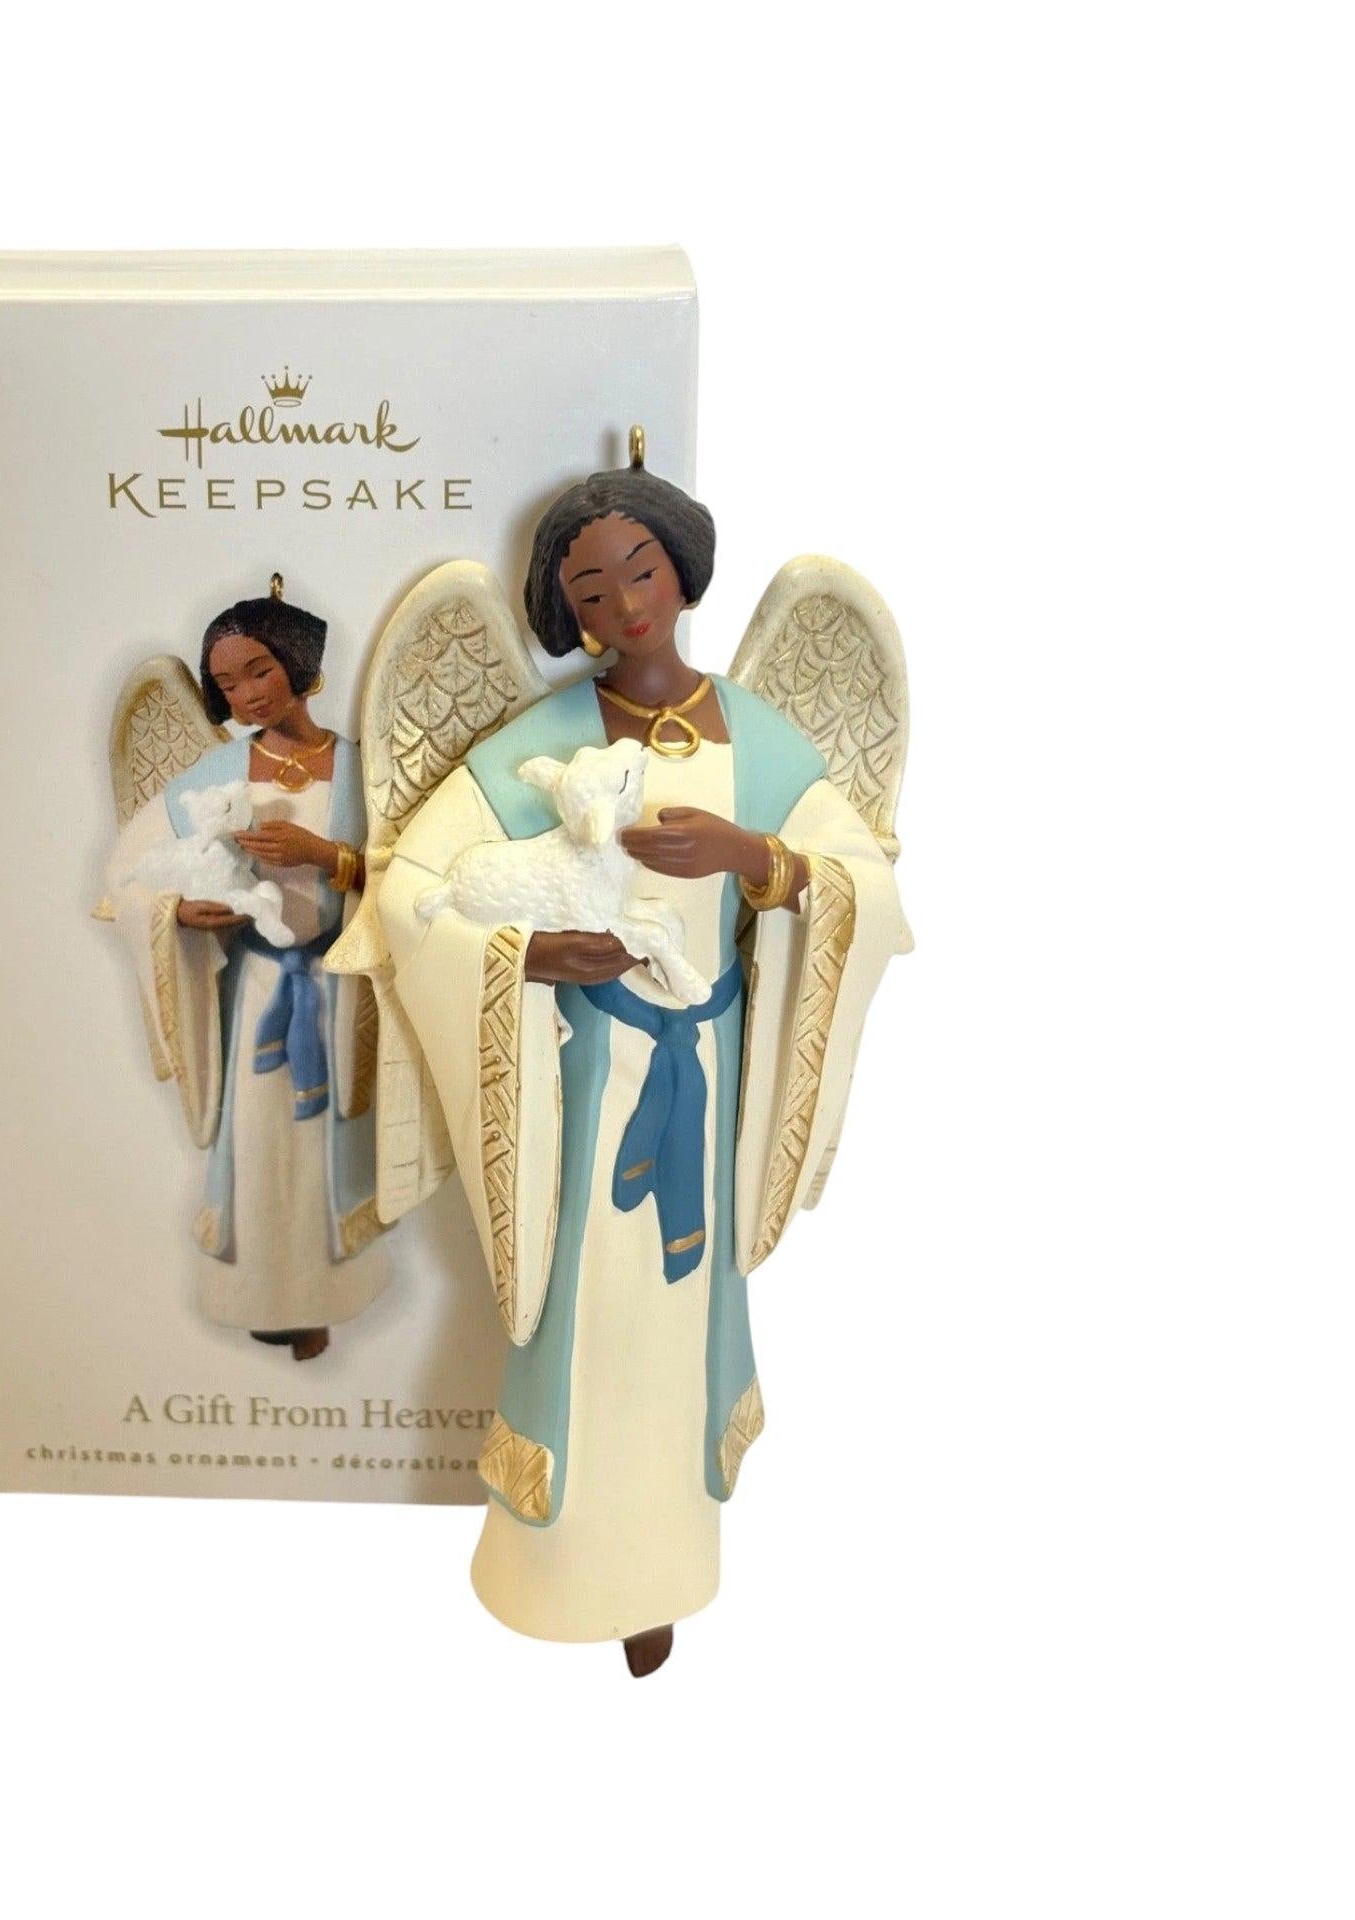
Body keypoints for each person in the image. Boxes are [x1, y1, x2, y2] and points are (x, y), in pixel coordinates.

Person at [376, 461, 906, 1670]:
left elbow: (867, 883)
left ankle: (660, 1567)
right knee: (589, 1312)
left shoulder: (756, 740)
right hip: (582, 1078)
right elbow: (410, 890)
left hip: (706, 1076)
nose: (624, 605)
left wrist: (756, 857)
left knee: (678, 1318)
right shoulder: (543, 745)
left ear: (681, 572)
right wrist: (524, 956)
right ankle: (563, 1567)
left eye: (642, 572)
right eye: (591, 591)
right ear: (567, 613)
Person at [106, 586, 385, 1361]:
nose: (247, 695)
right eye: (227, 684)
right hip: (259, 990)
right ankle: (268, 1299)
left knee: (329, 1150)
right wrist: (175, 910)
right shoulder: (215, 775)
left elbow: (421, 874)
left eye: (259, 671)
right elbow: (125, 875)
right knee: (263, 1144)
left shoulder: (366, 772)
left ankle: (327, 1300)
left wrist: (329, 858)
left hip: (341, 993)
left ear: (299, 665)